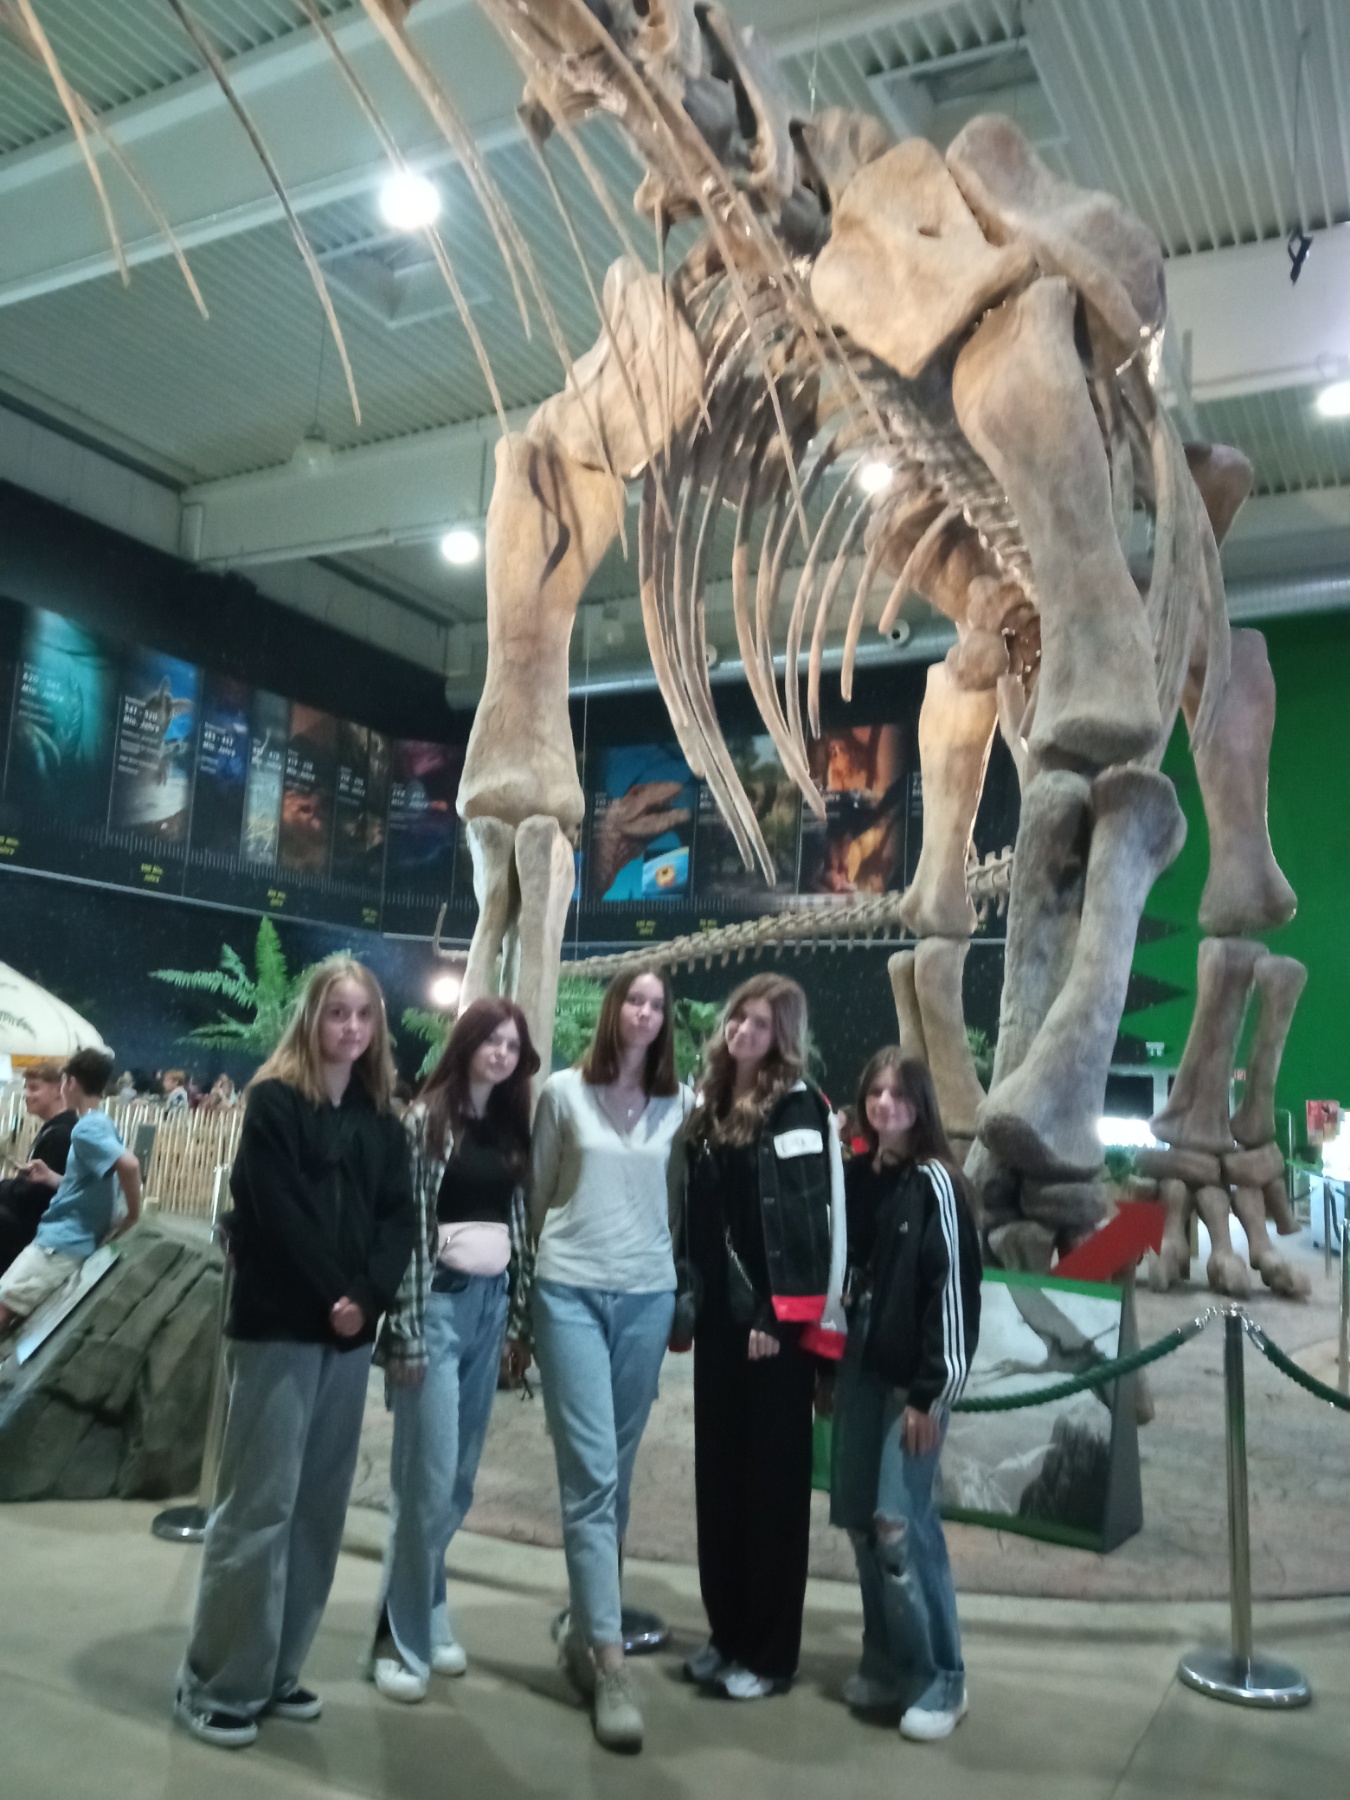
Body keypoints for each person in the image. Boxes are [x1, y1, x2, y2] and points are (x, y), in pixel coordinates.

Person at [173, 956, 417, 1751]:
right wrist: (334, 1296)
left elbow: (398, 1218)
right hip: (280, 1324)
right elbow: (269, 1207)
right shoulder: (274, 1102)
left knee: (316, 1512)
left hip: (347, 1338)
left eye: (364, 1014)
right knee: (258, 1506)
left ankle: (277, 1668)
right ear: (312, 1019)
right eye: (337, 1012)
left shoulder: (384, 1123)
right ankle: (218, 1681)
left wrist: (366, 1298)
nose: (351, 1027)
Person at [530, 966, 691, 1752]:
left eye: (657, 1004)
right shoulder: (562, 1093)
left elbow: (683, 1203)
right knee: (592, 1475)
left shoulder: (681, 1104)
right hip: (569, 1291)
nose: (645, 1012)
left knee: (614, 1479)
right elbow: (536, 1196)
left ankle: (584, 1630)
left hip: (647, 1297)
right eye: (634, 999)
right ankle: (610, 1663)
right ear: (613, 1008)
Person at [369, 996, 539, 1703]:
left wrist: (519, 1316)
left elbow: (518, 1221)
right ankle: (399, 1638)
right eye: (491, 1040)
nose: (501, 1053)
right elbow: (408, 1225)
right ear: (466, 1043)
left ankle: (428, 1604)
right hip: (435, 1305)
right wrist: (405, 1327)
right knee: (427, 1477)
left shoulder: (508, 1127)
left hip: (489, 1307)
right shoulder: (425, 1121)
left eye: (512, 1045)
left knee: (459, 1479)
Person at [683, 974, 846, 1700]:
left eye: (760, 1022)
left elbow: (810, 1224)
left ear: (784, 1035)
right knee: (719, 1481)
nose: (743, 1030)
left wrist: (779, 1320)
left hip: (773, 1330)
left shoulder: (800, 1108)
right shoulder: (712, 1104)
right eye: (738, 1017)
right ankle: (727, 1634)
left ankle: (770, 1654)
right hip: (719, 1322)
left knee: (772, 1491)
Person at [830, 1051, 981, 1742]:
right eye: (875, 1092)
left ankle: (940, 1677)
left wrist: (932, 1392)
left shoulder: (937, 1183)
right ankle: (886, 1660)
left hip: (909, 1381)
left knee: (901, 1524)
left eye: (898, 1094)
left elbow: (952, 1289)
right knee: (863, 1523)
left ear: (920, 1105)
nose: (884, 1104)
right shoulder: (862, 1176)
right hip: (859, 1363)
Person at [0, 1050, 140, 1334]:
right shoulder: (102, 1122)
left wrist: (132, 1216)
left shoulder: (83, 1130)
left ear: (70, 1082)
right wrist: (51, 1177)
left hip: (59, 1243)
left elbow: (130, 1164)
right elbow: (90, 1183)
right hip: (69, 1240)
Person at [0, 1061, 76, 1275]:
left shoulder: (60, 1134)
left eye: (34, 1088)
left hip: (36, 1236)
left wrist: (5, 1186)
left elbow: (38, 1196)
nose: (27, 1095)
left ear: (58, 1090)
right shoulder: (54, 1129)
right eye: (26, 1088)